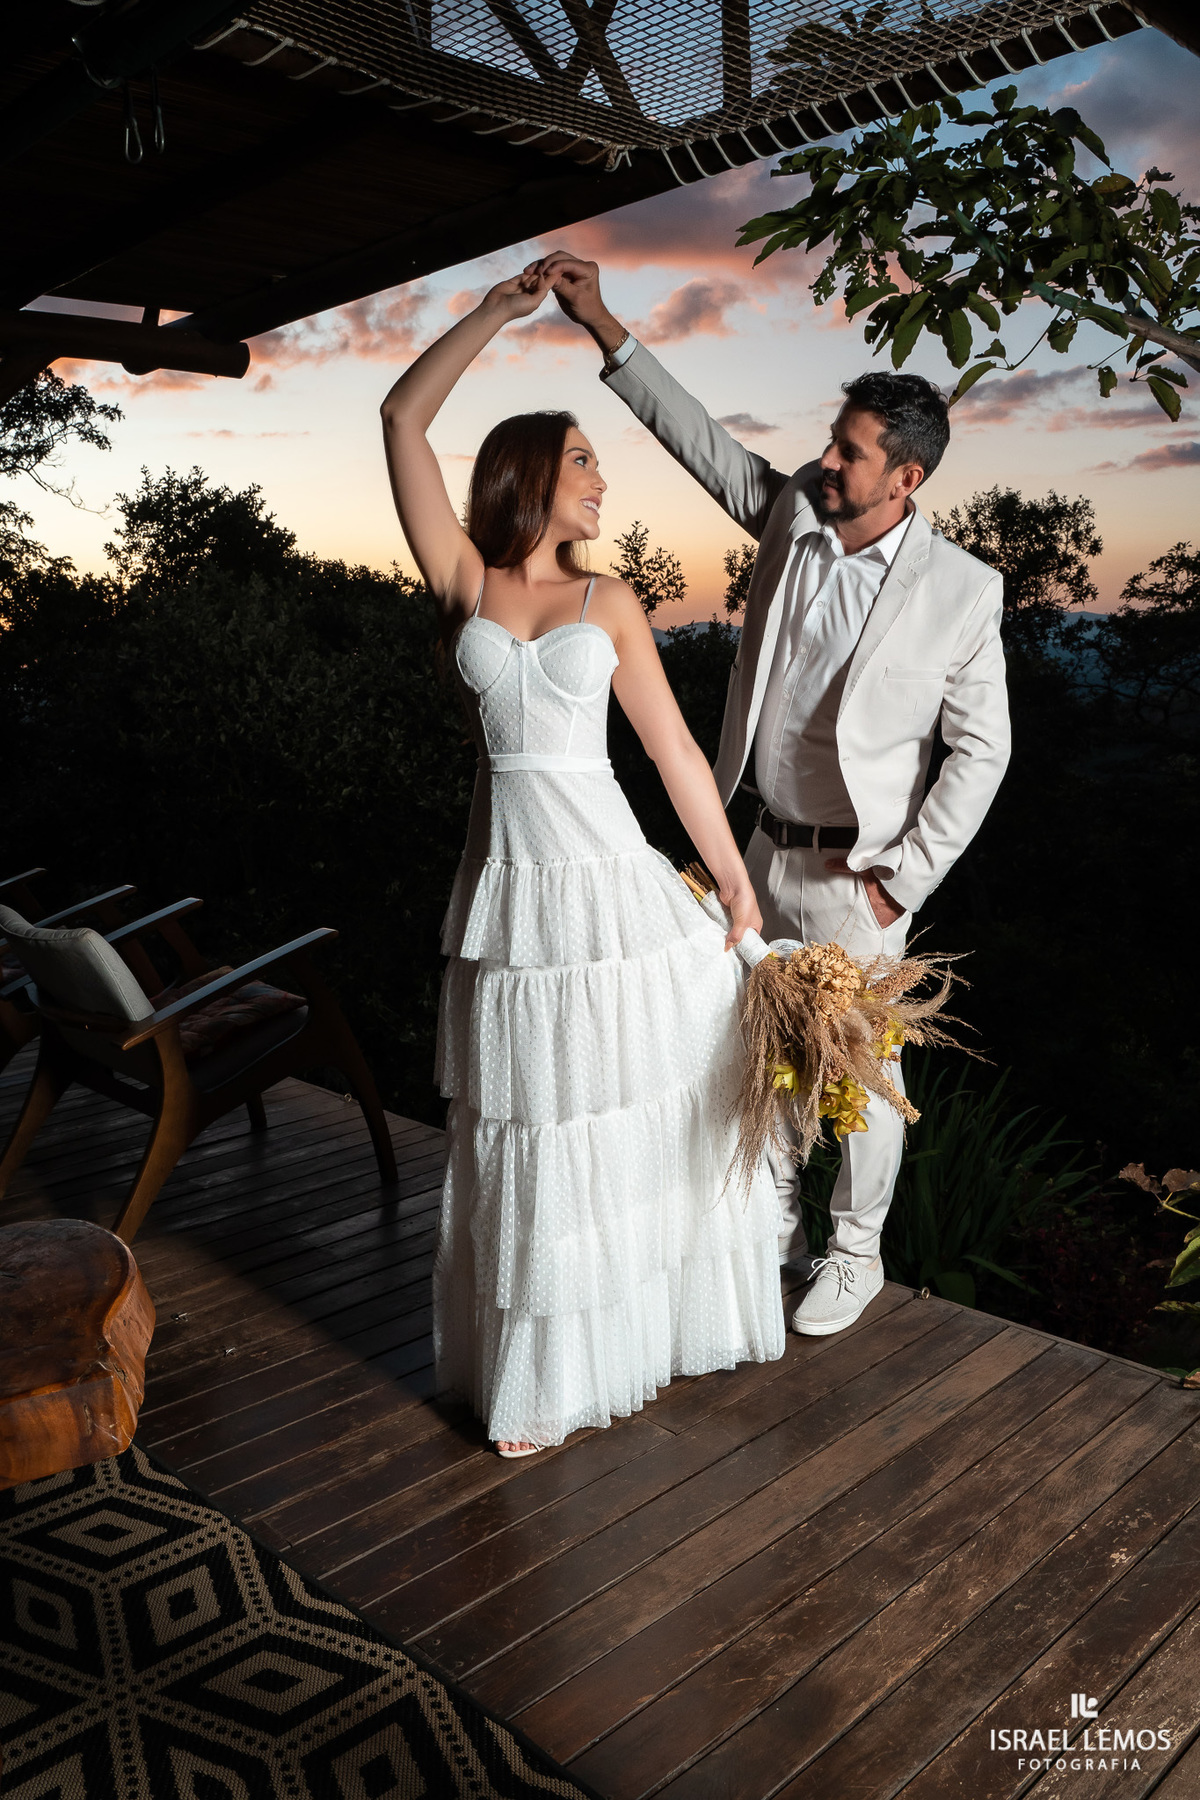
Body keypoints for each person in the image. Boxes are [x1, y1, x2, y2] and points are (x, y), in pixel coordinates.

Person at [538, 250, 1011, 1339]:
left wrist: (904, 880)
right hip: (758, 848)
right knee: (765, 1045)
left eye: (850, 452)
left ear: (907, 478)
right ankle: (782, 1232)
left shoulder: (961, 591)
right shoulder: (795, 514)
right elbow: (702, 441)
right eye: (832, 441)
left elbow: (981, 750)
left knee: (865, 1067)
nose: (826, 460)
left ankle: (856, 1255)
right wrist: (604, 324)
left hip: (863, 874)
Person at [380, 266, 785, 1457]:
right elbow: (402, 420)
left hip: (613, 887)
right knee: (528, 1135)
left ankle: (618, 1346)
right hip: (513, 905)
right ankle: (536, 1379)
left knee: (621, 1125)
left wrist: (735, 883)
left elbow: (672, 759)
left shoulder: (612, 602)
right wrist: (500, 313)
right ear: (533, 478)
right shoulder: (466, 580)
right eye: (586, 461)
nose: (604, 480)